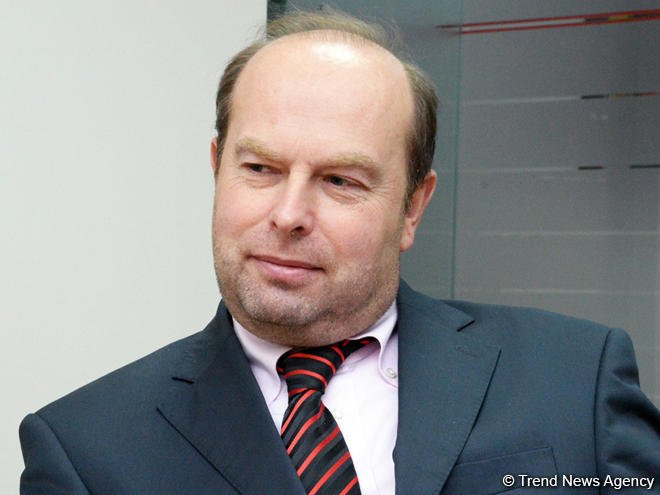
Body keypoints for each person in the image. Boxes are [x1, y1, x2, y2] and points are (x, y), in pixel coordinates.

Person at [19, 9, 659, 495]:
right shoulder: (85, 451)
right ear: (217, 168)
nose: (289, 214)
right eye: (260, 169)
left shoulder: (574, 380)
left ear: (412, 207)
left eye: (341, 181)